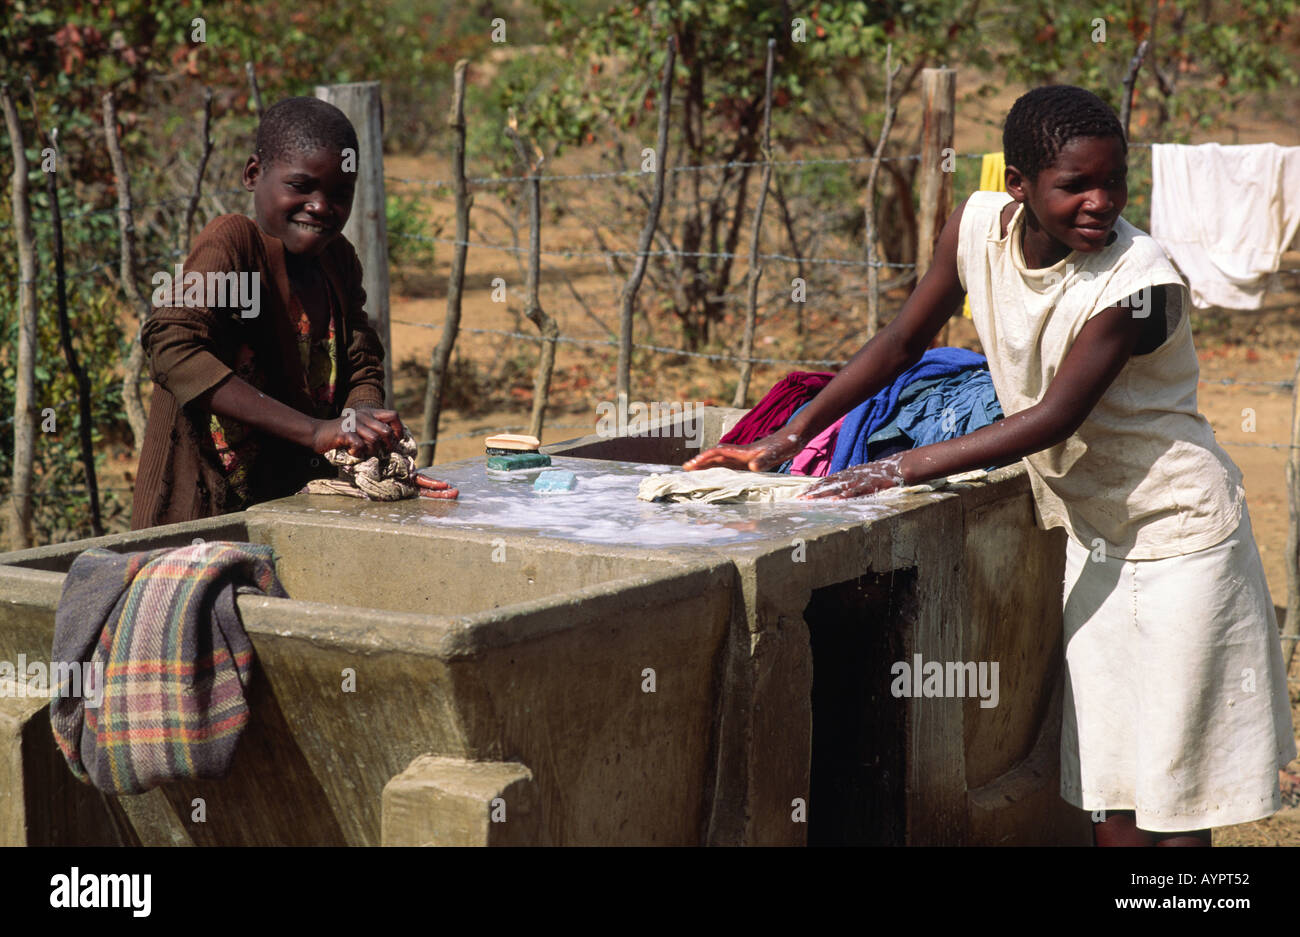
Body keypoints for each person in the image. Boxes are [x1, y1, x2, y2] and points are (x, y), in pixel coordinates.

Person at [685, 85, 1296, 846]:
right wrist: (790, 432)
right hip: (1098, 540)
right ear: (1018, 185)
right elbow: (904, 340)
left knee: (1173, 796)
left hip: (1183, 539)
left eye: (1115, 183)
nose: (1100, 203)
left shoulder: (1138, 284)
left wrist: (894, 468)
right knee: (1110, 786)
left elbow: (1050, 419)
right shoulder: (976, 228)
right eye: (1076, 185)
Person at [131, 96, 455, 530]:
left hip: (297, 511)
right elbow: (172, 348)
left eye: (340, 194)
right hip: (205, 518)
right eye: (301, 187)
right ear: (253, 174)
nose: (321, 206)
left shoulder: (337, 261)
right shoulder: (235, 246)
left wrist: (363, 429)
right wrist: (316, 432)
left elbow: (360, 361)